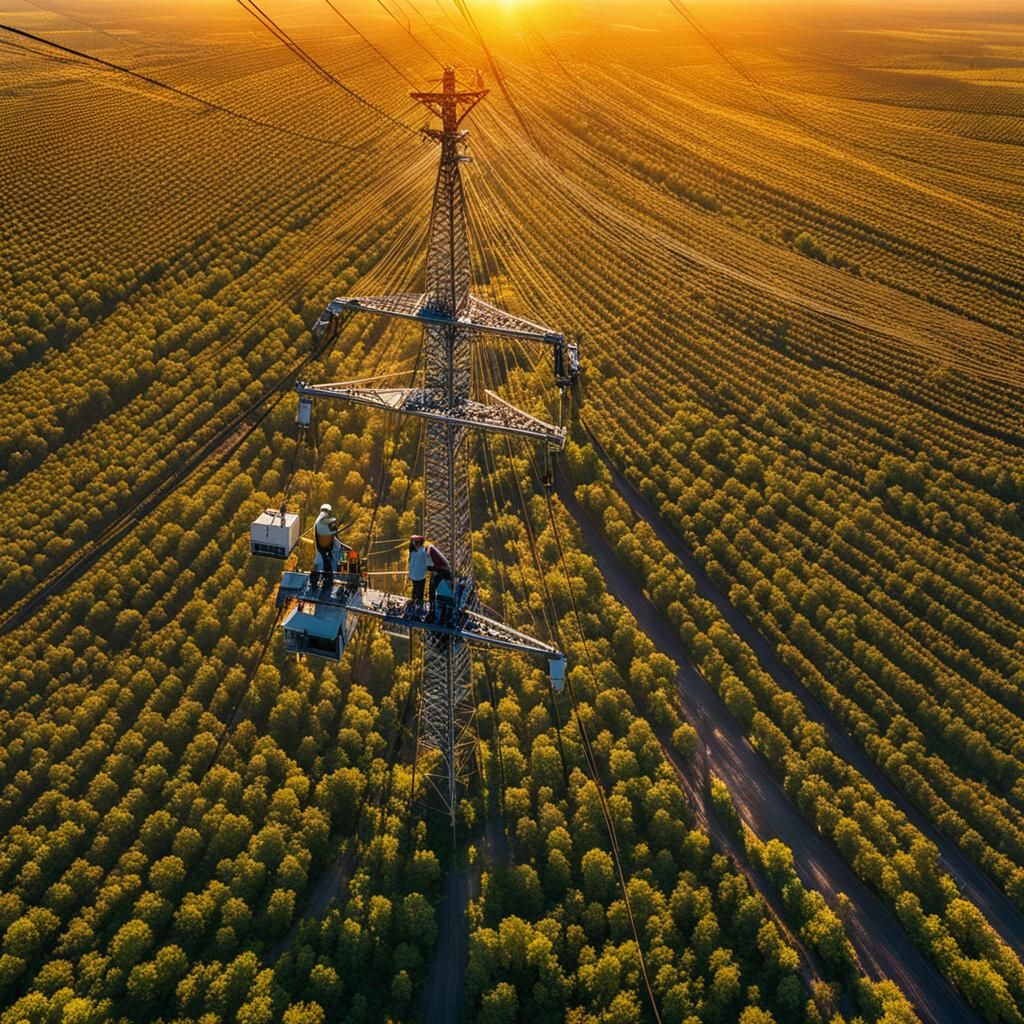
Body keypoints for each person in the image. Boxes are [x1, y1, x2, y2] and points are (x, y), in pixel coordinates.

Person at [311, 503, 342, 589]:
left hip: (324, 548)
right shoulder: (321, 520)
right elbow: (327, 525)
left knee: (325, 563)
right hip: (322, 548)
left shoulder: (319, 521)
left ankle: (324, 580)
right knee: (324, 563)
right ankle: (325, 580)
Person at [425, 540, 452, 620]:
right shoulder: (432, 549)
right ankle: (433, 603)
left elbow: (429, 566)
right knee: (433, 583)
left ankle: (432, 605)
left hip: (442, 571)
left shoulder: (428, 552)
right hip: (443, 570)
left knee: (432, 587)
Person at [408, 535, 428, 614]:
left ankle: (414, 603)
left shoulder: (413, 553)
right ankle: (418, 606)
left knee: (415, 589)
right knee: (419, 591)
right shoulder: (422, 551)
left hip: (414, 575)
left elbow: (411, 564)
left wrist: (410, 574)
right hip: (420, 576)